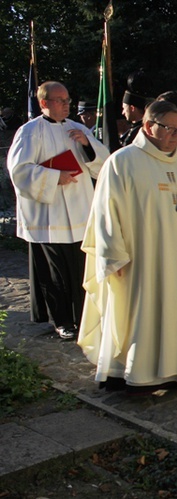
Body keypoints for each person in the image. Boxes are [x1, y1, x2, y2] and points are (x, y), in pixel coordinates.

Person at [77, 100, 177, 395]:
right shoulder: (123, 162)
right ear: (148, 126)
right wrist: (113, 257)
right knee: (140, 313)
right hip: (141, 259)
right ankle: (132, 373)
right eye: (169, 128)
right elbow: (105, 214)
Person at [6, 81, 109, 340]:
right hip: (48, 217)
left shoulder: (79, 129)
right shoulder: (29, 132)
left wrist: (87, 144)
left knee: (80, 270)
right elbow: (19, 170)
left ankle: (86, 318)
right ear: (44, 103)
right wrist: (53, 176)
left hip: (79, 213)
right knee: (55, 275)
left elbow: (104, 164)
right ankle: (62, 321)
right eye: (60, 100)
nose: (66, 105)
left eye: (67, 100)